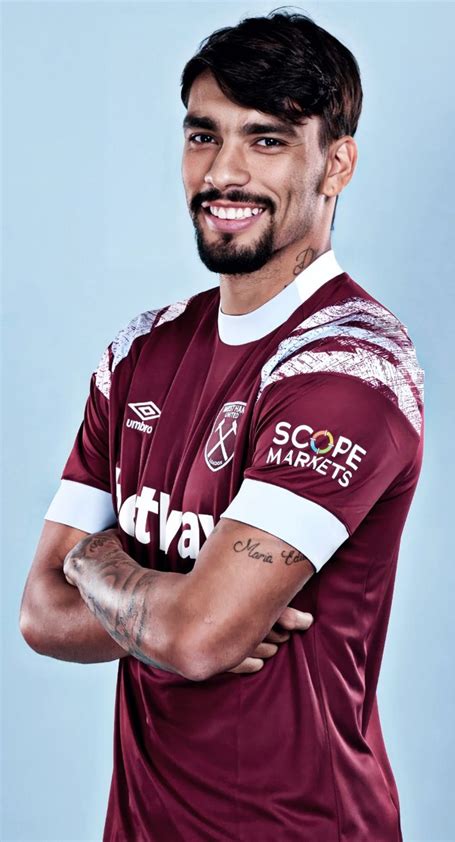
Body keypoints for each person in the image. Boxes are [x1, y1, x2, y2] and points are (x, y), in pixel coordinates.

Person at [19, 9, 424, 842]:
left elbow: (199, 639)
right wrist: (158, 601)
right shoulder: (138, 354)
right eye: (204, 136)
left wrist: (112, 574)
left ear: (336, 163)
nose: (225, 172)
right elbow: (38, 611)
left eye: (267, 141)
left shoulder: (352, 368)